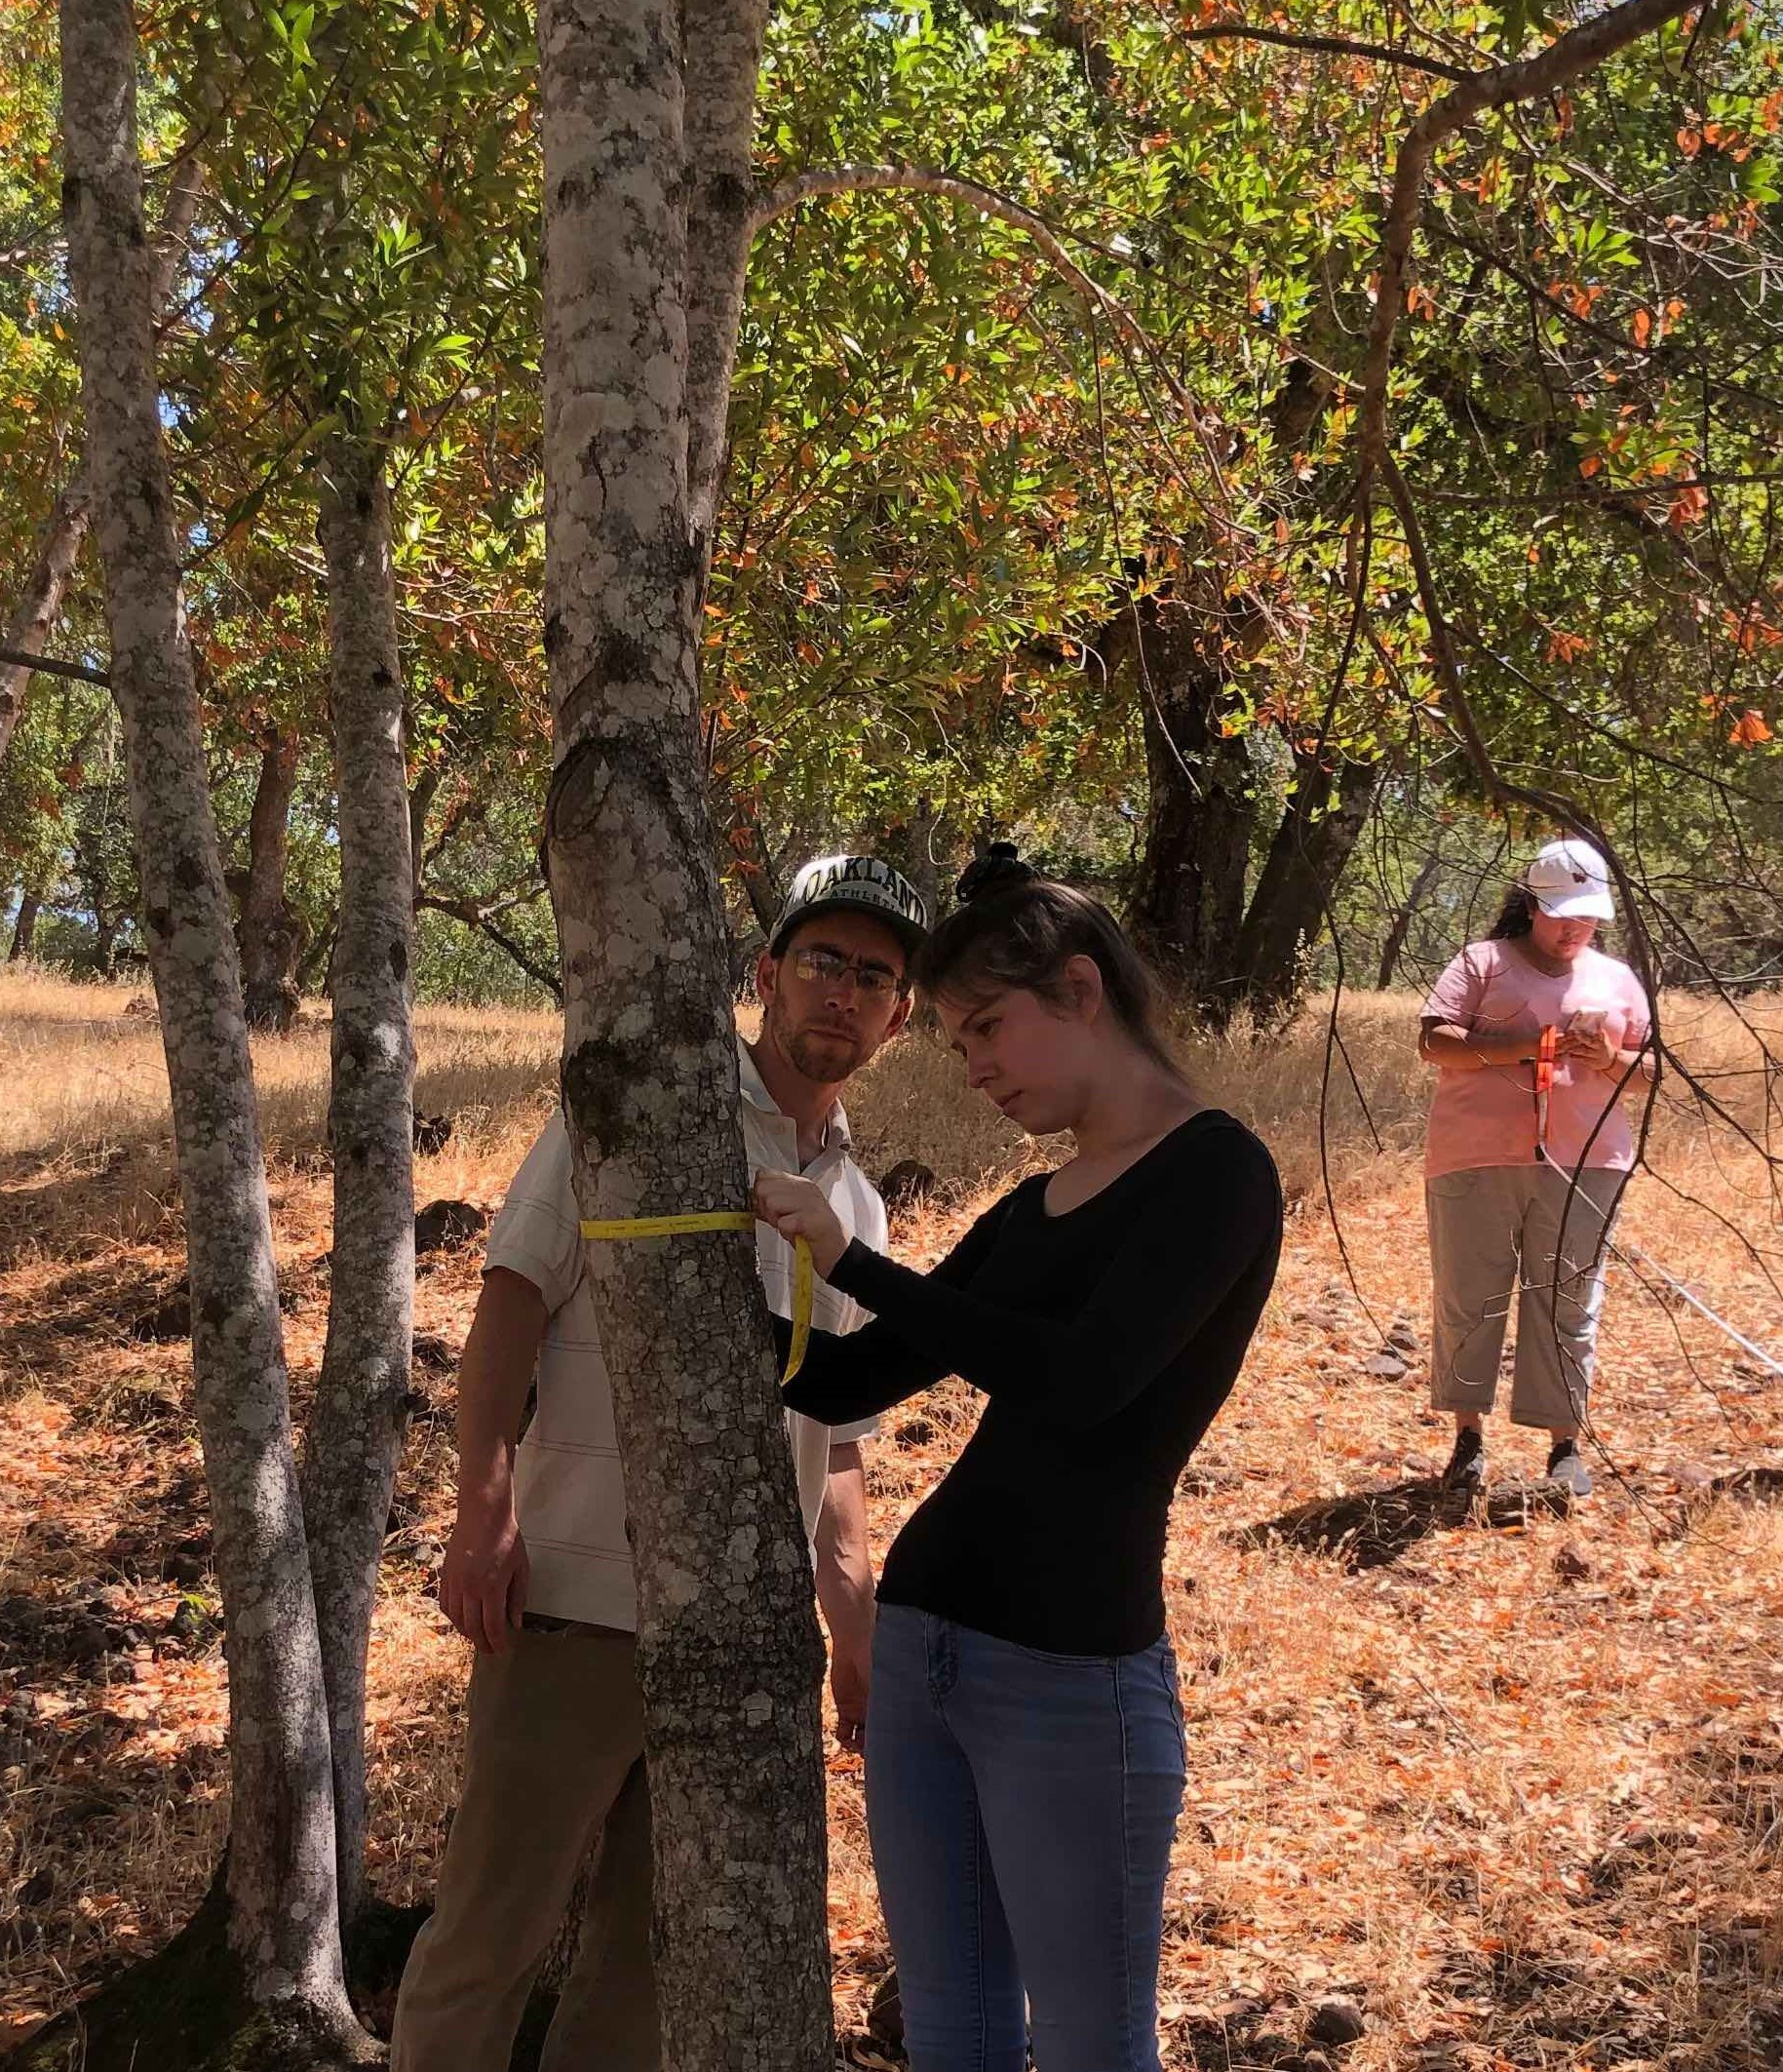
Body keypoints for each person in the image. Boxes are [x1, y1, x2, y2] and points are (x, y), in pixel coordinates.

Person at [751, 845, 1284, 2072]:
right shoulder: (1031, 1206)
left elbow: (1086, 1379)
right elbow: (852, 1378)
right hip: (922, 1648)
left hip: (1070, 1680)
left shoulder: (1217, 1173)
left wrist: (856, 1264)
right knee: (958, 2030)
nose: (977, 1066)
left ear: (1083, 992)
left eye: (988, 1026)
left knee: (1095, 2045)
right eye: (956, 1040)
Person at [392, 853, 928, 2072]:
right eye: (822, 962)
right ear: (766, 973)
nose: (842, 994)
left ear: (901, 1017)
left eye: (876, 978)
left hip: (740, 1644)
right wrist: (480, 1517)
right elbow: (510, 1306)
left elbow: (837, 1442)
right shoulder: (642, 1118)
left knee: (649, 1966)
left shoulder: (857, 1202)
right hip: (573, 1612)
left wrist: (853, 1630)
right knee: (491, 1934)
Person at [1414, 837, 1654, 1501]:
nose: (1575, 927)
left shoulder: (1617, 978)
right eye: (1561, 913)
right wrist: (1533, 1044)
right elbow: (1435, 1040)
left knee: (1569, 1301)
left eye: (1588, 915)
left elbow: (1651, 1073)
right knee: (1471, 1296)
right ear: (1531, 904)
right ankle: (1467, 1438)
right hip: (1474, 1154)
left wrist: (1606, 1055)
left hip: (1587, 1161)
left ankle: (1564, 1446)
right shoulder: (1481, 962)